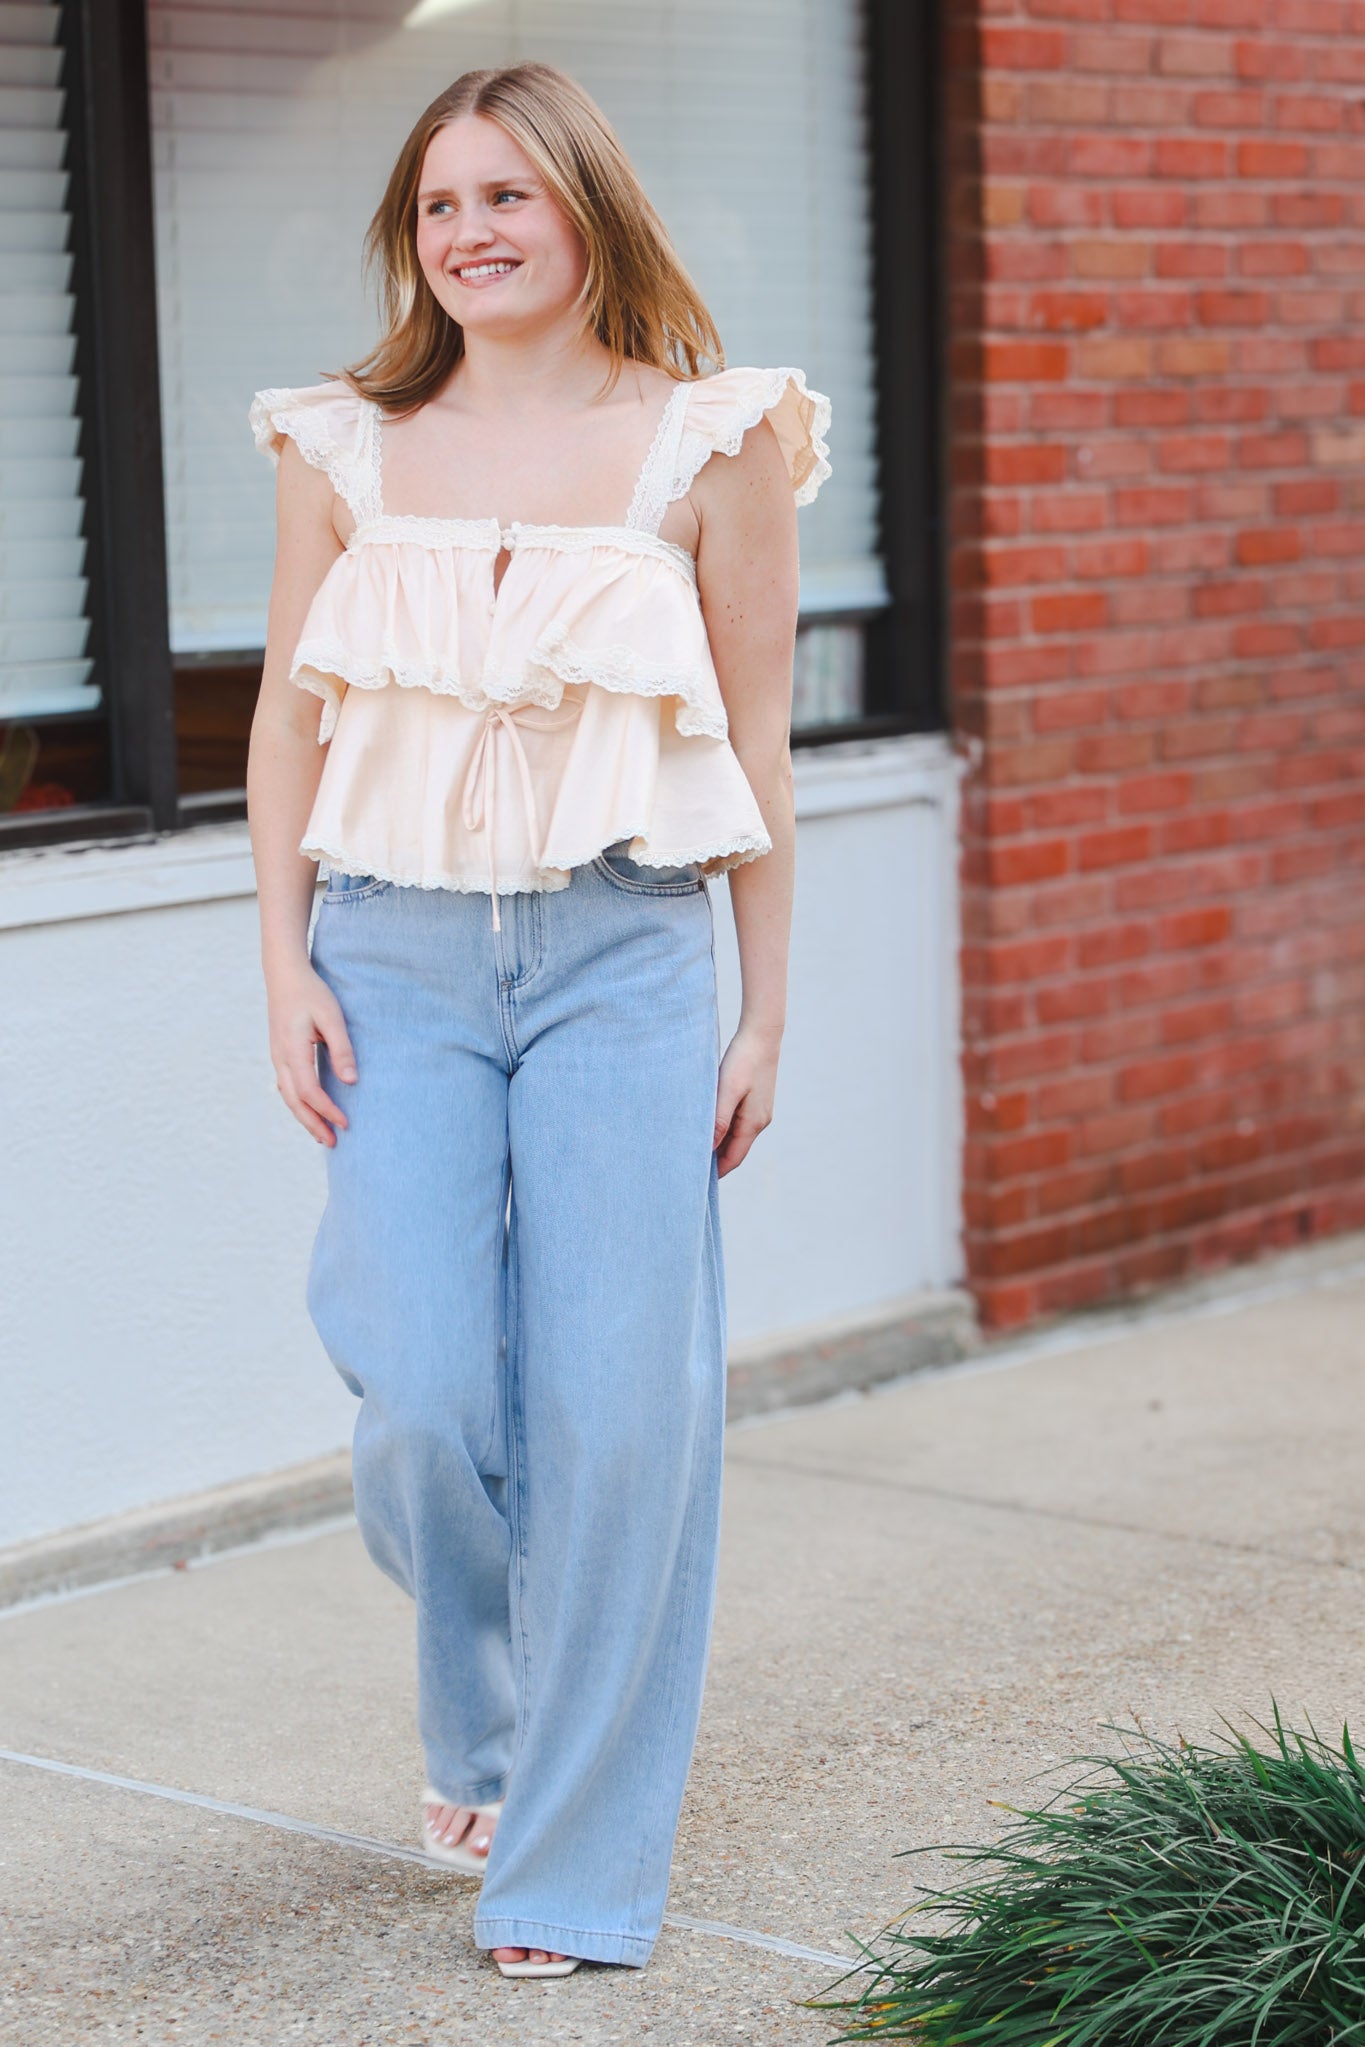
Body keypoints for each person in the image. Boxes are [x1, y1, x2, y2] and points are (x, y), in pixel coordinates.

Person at [246, 59, 830, 1979]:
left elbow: (756, 737)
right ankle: (485, 1689)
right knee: (418, 1387)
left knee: (617, 1422)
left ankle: (567, 1868)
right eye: (437, 205)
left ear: (586, 208)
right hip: (397, 953)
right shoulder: (344, 445)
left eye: (505, 195)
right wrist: (284, 963)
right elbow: (285, 728)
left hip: (627, 952)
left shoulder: (710, 440)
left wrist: (762, 1010)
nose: (470, 233)